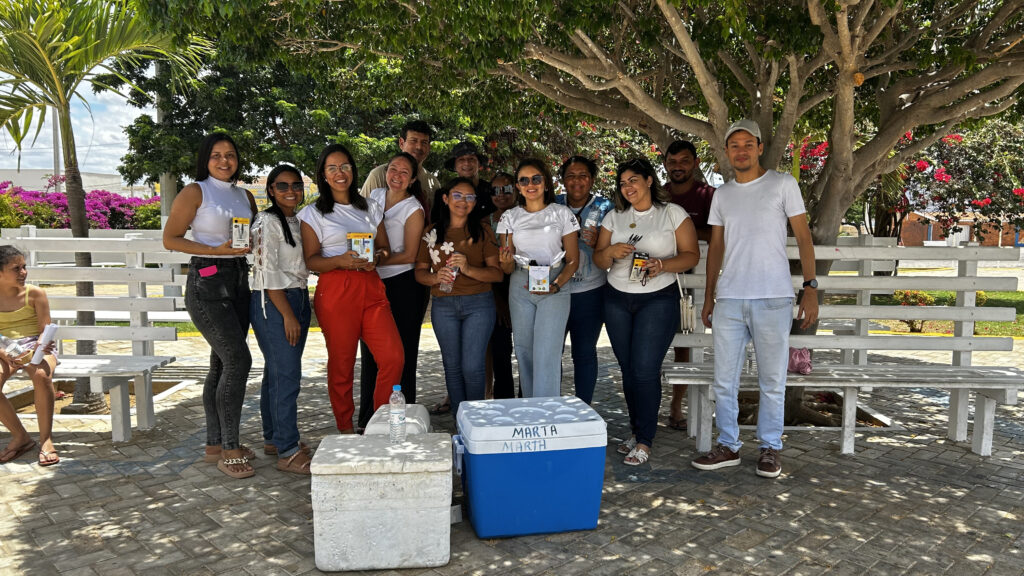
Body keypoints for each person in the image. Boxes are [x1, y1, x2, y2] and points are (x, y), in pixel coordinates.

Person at [690, 119, 818, 479]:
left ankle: (769, 448)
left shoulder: (782, 184)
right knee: (724, 379)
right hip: (730, 299)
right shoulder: (723, 194)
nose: (741, 151)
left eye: (748, 144)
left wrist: (810, 287)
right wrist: (710, 294)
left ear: (760, 148)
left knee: (772, 379)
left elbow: (804, 237)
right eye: (734, 145)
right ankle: (728, 445)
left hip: (773, 297)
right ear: (727, 152)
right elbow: (716, 245)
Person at [594, 157, 700, 466]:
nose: (628, 187)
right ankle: (636, 429)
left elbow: (690, 255)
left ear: (649, 181)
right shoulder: (613, 217)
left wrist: (662, 264)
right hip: (616, 298)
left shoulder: (671, 214)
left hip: (657, 298)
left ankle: (645, 440)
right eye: (623, 183)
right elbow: (599, 260)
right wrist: (610, 252)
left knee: (644, 369)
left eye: (633, 180)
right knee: (628, 369)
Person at [164, 132, 258, 479]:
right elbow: (170, 238)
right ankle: (231, 449)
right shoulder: (195, 192)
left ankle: (214, 443)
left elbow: (251, 236)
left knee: (220, 364)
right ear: (206, 159)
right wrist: (216, 250)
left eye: (230, 155)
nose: (224, 161)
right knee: (238, 360)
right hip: (206, 279)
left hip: (238, 280)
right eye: (216, 155)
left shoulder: (245, 196)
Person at [298, 143, 404, 434]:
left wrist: (376, 259)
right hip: (335, 288)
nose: (339, 173)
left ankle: (379, 424)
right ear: (323, 174)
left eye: (344, 166)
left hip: (370, 287)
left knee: (394, 357)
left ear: (353, 170)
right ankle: (345, 428)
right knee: (342, 365)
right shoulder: (312, 214)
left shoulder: (370, 207)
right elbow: (311, 261)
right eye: (332, 168)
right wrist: (339, 260)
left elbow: (383, 248)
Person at [415, 178, 502, 419]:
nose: (463, 202)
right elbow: (420, 272)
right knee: (452, 368)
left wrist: (469, 268)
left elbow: (496, 273)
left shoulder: (482, 231)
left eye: (469, 197)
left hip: (479, 304)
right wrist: (435, 278)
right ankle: (458, 421)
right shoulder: (431, 232)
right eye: (457, 196)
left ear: (475, 203)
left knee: (473, 368)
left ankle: (475, 421)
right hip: (444, 306)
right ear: (446, 198)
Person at [497, 159, 579, 398]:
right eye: (524, 180)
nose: (530, 184)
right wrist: (505, 261)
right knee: (524, 350)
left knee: (548, 352)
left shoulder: (561, 214)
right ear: (518, 187)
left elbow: (573, 260)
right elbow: (506, 267)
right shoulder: (509, 217)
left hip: (555, 282)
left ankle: (547, 411)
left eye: (536, 179)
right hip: (521, 282)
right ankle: (531, 409)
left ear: (546, 183)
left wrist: (555, 286)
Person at [357, 152, 427, 430]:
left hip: (403, 286)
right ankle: (368, 419)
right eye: (393, 169)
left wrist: (377, 259)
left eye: (404, 172)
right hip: (372, 282)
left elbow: (410, 254)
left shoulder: (413, 209)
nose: (397, 176)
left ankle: (401, 419)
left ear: (412, 180)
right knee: (371, 354)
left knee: (402, 355)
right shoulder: (372, 196)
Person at [250, 164, 312, 475]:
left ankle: (274, 438)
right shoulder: (266, 221)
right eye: (283, 186)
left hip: (297, 296)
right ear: (271, 190)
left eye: (296, 185)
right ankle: (287, 450)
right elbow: (267, 272)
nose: (291, 191)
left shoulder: (297, 220)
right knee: (286, 376)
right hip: (275, 301)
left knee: (277, 373)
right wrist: (287, 314)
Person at [663, 140, 717, 431]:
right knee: (655, 345)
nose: (678, 167)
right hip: (659, 280)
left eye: (684, 161)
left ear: (695, 163)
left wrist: (681, 230)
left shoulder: (709, 196)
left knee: (685, 346)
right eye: (672, 162)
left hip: (694, 284)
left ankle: (676, 406)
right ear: (665, 165)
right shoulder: (657, 194)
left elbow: (716, 235)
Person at [555, 156, 613, 405]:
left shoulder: (605, 206)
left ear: (592, 179)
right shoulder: (553, 203)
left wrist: (599, 242)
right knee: (550, 353)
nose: (576, 181)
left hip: (590, 291)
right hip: (556, 289)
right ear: (562, 180)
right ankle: (549, 405)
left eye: (583, 176)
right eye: (570, 176)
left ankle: (584, 408)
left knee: (584, 354)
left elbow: (615, 244)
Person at [0, 246, 58, 466]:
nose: (23, 272)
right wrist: (4, 353)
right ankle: (20, 437)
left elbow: (45, 328)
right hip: (3, 348)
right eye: (16, 268)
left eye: (24, 267)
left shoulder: (35, 294)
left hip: (36, 344)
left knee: (41, 375)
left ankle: (46, 440)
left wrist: (38, 350)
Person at [360, 119, 441, 211]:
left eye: (424, 142)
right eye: (413, 141)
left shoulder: (433, 183)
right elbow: (361, 213)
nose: (419, 147)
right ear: (401, 143)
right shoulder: (378, 175)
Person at [485, 171, 517, 400]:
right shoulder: (484, 223)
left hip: (525, 286)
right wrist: (498, 301)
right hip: (496, 292)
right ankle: (503, 401)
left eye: (506, 189)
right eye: (495, 190)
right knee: (500, 352)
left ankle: (529, 398)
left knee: (528, 351)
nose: (501, 195)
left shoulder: (527, 217)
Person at [435, 141, 495, 223]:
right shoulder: (442, 194)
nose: (466, 163)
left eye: (471, 159)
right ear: (454, 166)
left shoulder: (491, 190)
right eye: (461, 159)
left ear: (479, 164)